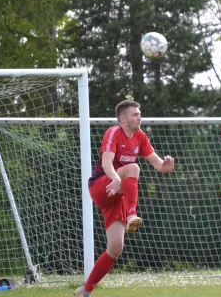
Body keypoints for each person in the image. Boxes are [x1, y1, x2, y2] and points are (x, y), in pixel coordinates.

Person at [74, 100, 175, 297]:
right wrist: (115, 178)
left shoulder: (140, 136)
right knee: (134, 167)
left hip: (117, 193)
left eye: (139, 114)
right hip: (102, 186)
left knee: (115, 248)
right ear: (123, 119)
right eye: (135, 114)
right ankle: (132, 215)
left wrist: (166, 166)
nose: (139, 117)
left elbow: (157, 163)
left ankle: (85, 290)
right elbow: (106, 162)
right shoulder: (114, 132)